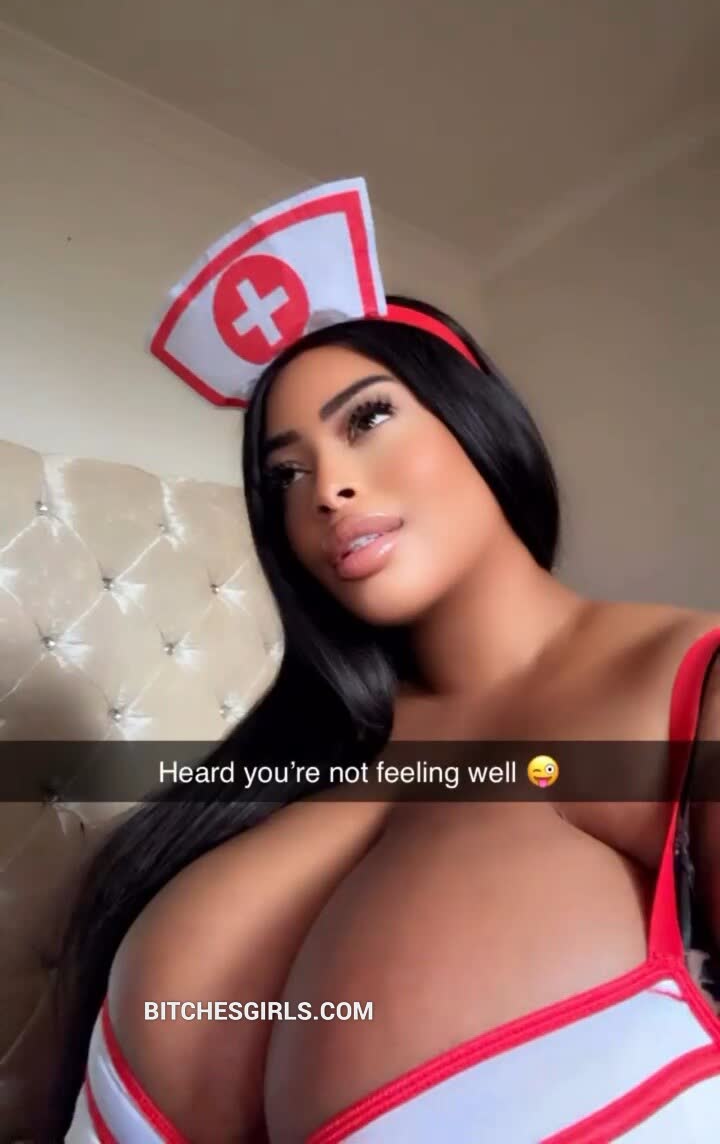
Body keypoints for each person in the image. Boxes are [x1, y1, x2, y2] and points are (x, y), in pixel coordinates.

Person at [46, 195, 720, 1141]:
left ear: (477, 419)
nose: (327, 489)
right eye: (285, 475)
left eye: (366, 419)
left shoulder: (687, 687)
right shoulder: (299, 755)